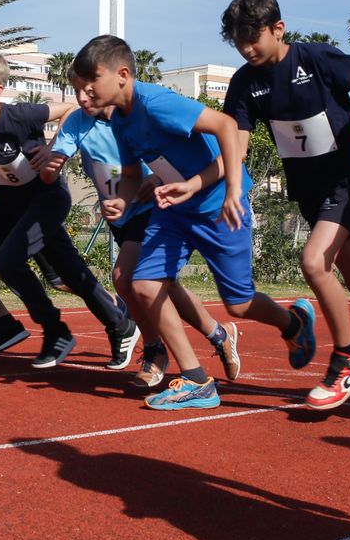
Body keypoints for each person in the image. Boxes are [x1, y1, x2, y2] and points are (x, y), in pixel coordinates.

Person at [71, 34, 317, 411]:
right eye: (79, 86)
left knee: (238, 304)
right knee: (145, 285)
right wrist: (123, 196)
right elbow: (135, 174)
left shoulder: (156, 103)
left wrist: (233, 189)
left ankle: (293, 323)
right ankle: (197, 380)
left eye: (91, 83)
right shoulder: (121, 121)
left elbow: (226, 128)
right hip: (176, 208)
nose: (84, 94)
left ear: (122, 75)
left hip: (218, 206)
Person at [221, 0, 350, 412]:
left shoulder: (313, 58)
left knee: (313, 262)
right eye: (238, 41)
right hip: (309, 188)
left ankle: (346, 360)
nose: (246, 48)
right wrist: (233, 186)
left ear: (278, 28)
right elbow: (236, 141)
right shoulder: (244, 82)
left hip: (349, 176)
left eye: (253, 37)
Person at [0, 53, 139, 370]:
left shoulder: (21, 115)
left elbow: (70, 109)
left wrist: (53, 148)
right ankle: (12, 326)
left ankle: (59, 331)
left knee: (14, 263)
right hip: (7, 205)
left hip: (46, 198)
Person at [35, 66, 241, 391]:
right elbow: (52, 167)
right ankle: (218, 333)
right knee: (163, 286)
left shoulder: (135, 116)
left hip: (154, 209)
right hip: (123, 216)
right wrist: (50, 165)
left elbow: (159, 164)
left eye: (89, 90)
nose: (82, 99)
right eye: (77, 92)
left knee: (127, 278)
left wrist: (150, 180)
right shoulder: (77, 122)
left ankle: (157, 352)